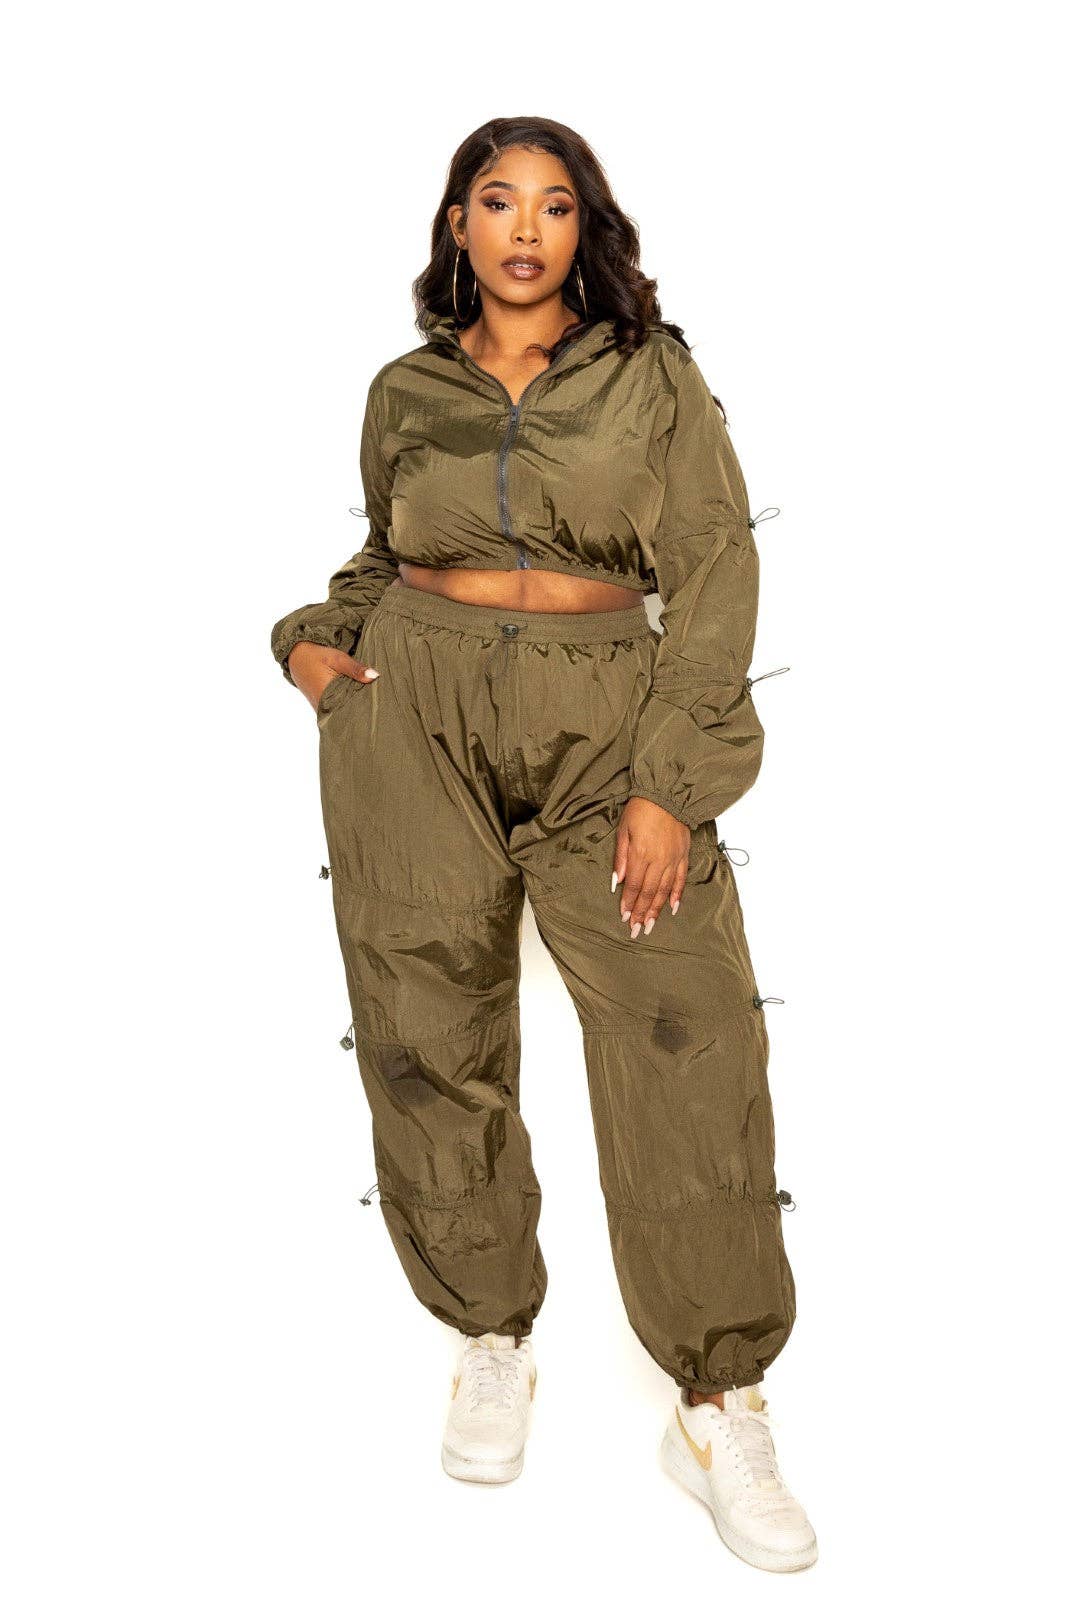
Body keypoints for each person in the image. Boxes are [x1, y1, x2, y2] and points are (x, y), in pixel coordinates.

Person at [270, 117, 816, 1573]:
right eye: (497, 201)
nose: (525, 228)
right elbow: (387, 549)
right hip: (413, 714)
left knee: (685, 1032)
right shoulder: (406, 388)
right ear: (457, 224)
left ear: (588, 229)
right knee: (426, 1018)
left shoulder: (651, 377)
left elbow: (714, 566)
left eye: (555, 204)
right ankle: (490, 1333)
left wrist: (671, 783)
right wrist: (319, 645)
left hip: (607, 725)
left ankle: (719, 1401)